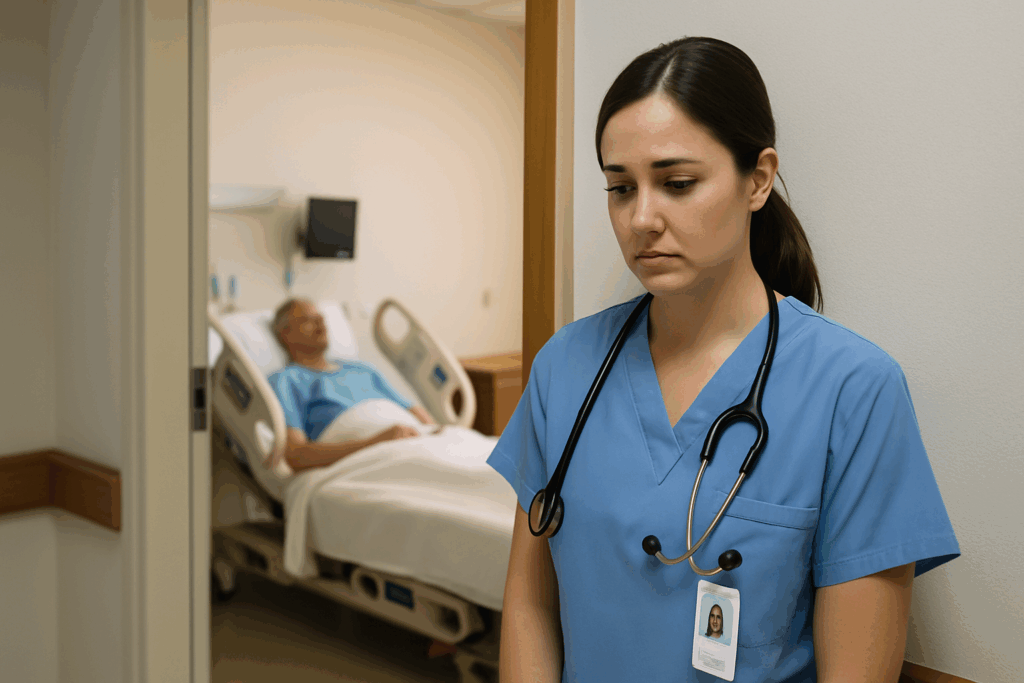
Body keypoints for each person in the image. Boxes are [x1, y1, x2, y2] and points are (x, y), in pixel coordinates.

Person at [486, 37, 960, 682]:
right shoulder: (565, 368)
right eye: (620, 188)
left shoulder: (853, 389)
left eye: (677, 183)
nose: (641, 218)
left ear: (757, 179)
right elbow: (532, 606)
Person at [267, 298, 438, 472]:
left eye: (321, 317)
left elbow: (413, 411)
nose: (320, 322)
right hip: (374, 457)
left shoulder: (363, 369)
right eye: (308, 320)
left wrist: (438, 434)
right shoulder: (286, 380)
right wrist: (374, 444)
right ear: (286, 334)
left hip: (418, 442)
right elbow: (296, 455)